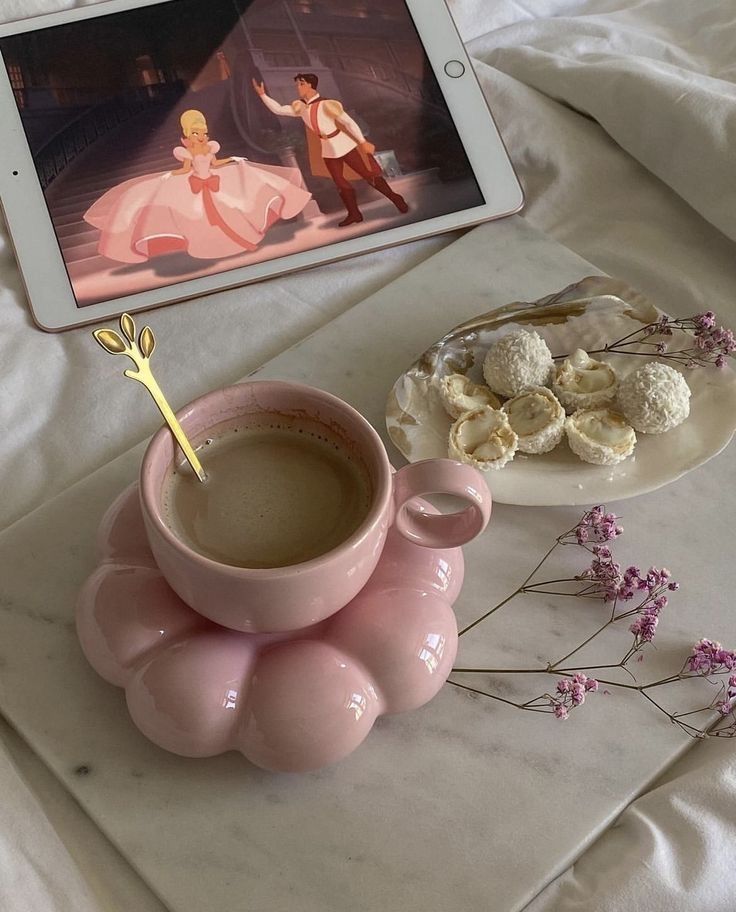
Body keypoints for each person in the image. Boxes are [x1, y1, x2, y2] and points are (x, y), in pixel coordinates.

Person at [84, 109, 312, 263]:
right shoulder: (185, 152)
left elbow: (216, 163)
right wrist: (169, 176)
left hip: (213, 181)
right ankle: (207, 246)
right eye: (196, 133)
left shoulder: (210, 148)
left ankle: (233, 241)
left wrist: (233, 160)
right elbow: (185, 169)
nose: (201, 136)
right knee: (196, 216)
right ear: (187, 136)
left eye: (203, 133)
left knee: (233, 205)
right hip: (196, 184)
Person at [252, 73, 409, 227]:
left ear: (311, 85)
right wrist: (263, 95)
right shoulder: (301, 107)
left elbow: (348, 123)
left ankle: (396, 198)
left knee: (368, 175)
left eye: (301, 84)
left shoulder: (327, 104)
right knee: (340, 182)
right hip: (327, 149)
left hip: (343, 144)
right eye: (297, 84)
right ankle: (354, 213)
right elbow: (279, 109)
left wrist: (362, 142)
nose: (298, 87)